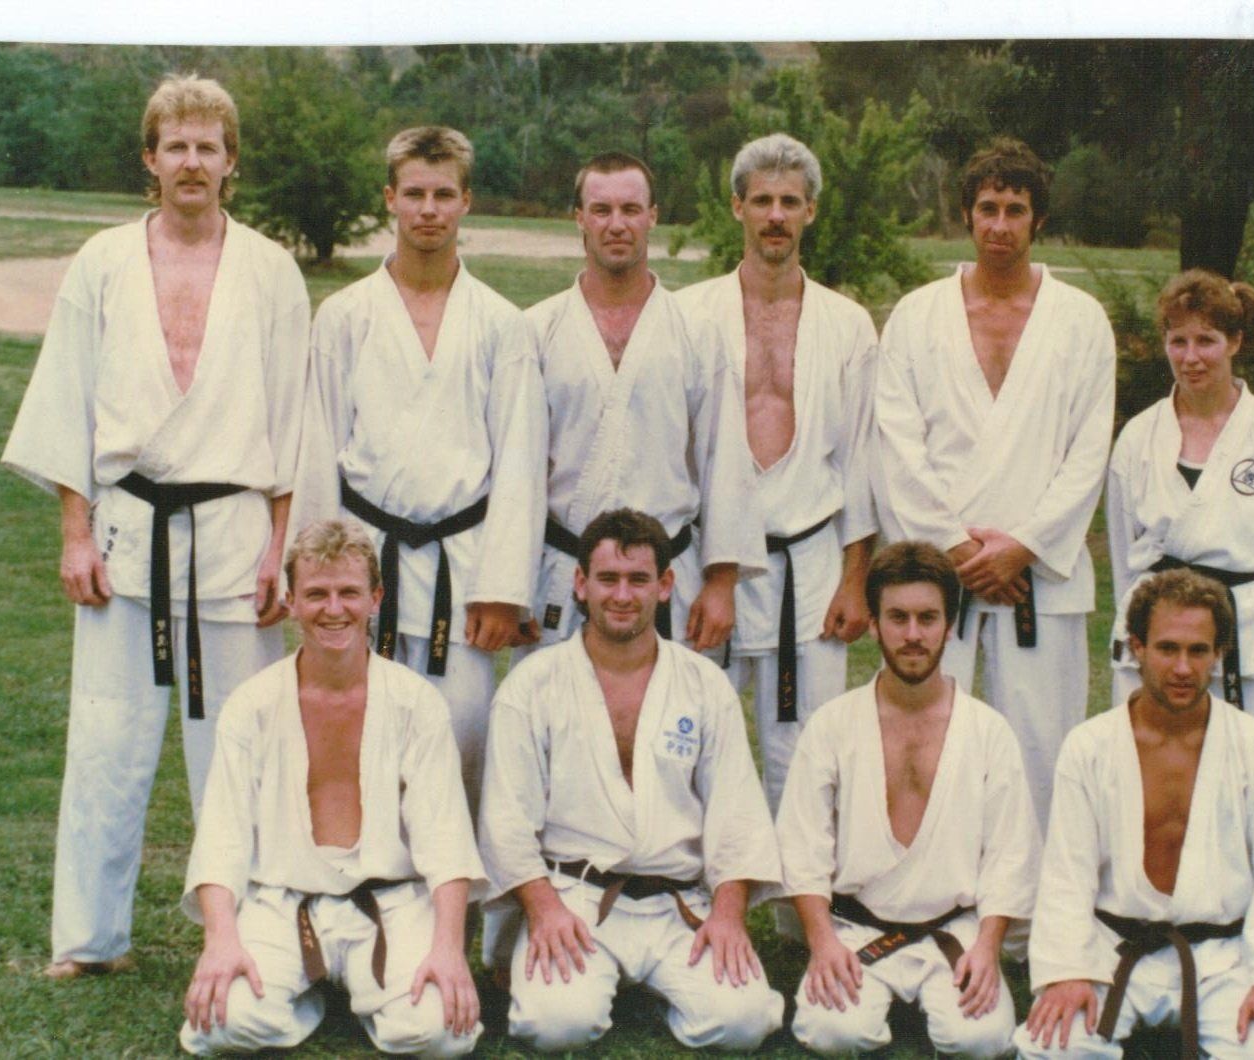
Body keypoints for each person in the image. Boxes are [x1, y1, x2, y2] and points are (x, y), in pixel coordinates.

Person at [1, 74, 308, 979]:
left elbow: (294, 418)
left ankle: (247, 933)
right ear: (149, 157)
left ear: (231, 163)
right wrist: (73, 531)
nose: (192, 162)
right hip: (128, 529)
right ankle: (90, 941)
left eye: (208, 146)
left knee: (239, 749)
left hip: (233, 532)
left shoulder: (272, 270)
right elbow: (68, 401)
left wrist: (279, 548)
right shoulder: (101, 262)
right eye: (176, 145)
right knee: (106, 739)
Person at [290, 126, 546, 806]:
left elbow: (520, 464)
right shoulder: (345, 315)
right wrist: (318, 576)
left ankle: (451, 908)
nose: (427, 209)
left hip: (462, 573)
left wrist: (502, 589)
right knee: (357, 739)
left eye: (442, 194)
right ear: (389, 202)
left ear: (466, 202)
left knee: (462, 736)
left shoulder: (501, 325)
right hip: (363, 560)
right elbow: (318, 445)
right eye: (413, 194)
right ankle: (362, 897)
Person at [873, 137, 1115, 825]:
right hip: (937, 579)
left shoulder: (1080, 321)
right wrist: (954, 548)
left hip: (1042, 575)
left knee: (1040, 751)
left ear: (1039, 220)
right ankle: (929, 902)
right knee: (932, 743)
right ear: (966, 215)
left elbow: (1088, 448)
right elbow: (896, 445)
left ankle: (1030, 925)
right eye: (988, 208)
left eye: (1016, 209)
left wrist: (1025, 546)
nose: (1000, 226)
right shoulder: (919, 315)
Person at [479, 509, 786, 1051]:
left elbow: (736, 812)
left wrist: (729, 913)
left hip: (676, 902)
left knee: (743, 1023)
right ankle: (579, 974)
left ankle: (662, 983)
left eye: (639, 579)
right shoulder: (531, 686)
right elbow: (506, 818)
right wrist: (544, 911)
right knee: (556, 1027)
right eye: (608, 579)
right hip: (573, 895)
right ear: (581, 584)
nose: (622, 595)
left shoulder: (703, 685)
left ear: (665, 586)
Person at [178, 520, 485, 1056]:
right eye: (316, 594)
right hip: (283, 901)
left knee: (439, 1033)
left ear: (376, 599)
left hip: (389, 900)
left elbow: (446, 837)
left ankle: (353, 988)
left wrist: (448, 947)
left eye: (349, 592)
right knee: (221, 1025)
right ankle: (313, 993)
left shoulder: (416, 703)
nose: (334, 609)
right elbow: (222, 836)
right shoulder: (251, 706)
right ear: (291, 601)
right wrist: (221, 940)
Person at [1015, 569, 1254, 1060]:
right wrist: (1067, 968)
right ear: (1136, 647)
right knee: (1052, 1050)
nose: (1182, 667)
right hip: (1111, 946)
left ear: (1219, 654)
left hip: (1222, 956)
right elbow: (1067, 874)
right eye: (1167, 648)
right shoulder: (1089, 747)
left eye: (1199, 651)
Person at [675, 132, 878, 813]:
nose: (775, 216)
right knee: (694, 740)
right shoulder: (687, 314)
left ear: (811, 212)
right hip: (709, 560)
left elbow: (859, 461)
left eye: (790, 202)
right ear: (736, 208)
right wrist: (706, 572)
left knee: (809, 749)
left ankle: (801, 915)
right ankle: (695, 905)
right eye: (761, 200)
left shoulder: (848, 326)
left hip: (810, 560)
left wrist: (856, 579)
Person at [778, 542, 1041, 1057]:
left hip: (954, 931)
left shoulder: (988, 732)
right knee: (834, 1034)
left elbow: (1011, 855)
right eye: (898, 618)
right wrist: (823, 941)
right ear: (873, 624)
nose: (914, 635)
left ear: (949, 624)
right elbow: (802, 846)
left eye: (928, 618)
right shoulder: (833, 726)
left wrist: (988, 948)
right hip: (855, 927)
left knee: (981, 1040)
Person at [521, 152, 764, 656]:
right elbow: (517, 471)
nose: (616, 224)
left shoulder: (696, 333)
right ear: (579, 218)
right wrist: (512, 585)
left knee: (664, 725)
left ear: (652, 216)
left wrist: (721, 583)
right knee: (559, 725)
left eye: (631, 210)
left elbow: (724, 460)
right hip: (563, 570)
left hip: (666, 572)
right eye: (601, 209)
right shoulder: (536, 330)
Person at [1105, 271, 1254, 736]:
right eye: (1178, 341)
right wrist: (1138, 629)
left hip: (1250, 632)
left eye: (1206, 340)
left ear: (1235, 342)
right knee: (1145, 770)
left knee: (1248, 777)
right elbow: (1125, 553)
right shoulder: (1139, 435)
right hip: (1159, 624)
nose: (1190, 358)